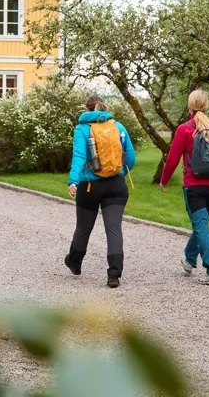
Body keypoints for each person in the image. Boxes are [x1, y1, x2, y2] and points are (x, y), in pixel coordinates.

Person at [160, 89, 209, 286]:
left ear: (189, 106)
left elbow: (172, 159)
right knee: (201, 225)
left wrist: (164, 179)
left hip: (194, 187)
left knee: (201, 226)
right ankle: (188, 260)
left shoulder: (185, 129)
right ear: (206, 105)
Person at [65, 95, 136, 288]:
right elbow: (130, 158)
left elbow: (79, 156)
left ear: (86, 109)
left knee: (84, 227)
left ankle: (75, 262)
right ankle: (114, 274)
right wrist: (118, 170)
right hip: (116, 185)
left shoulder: (82, 129)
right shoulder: (118, 127)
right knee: (113, 229)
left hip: (90, 186)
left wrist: (73, 181)